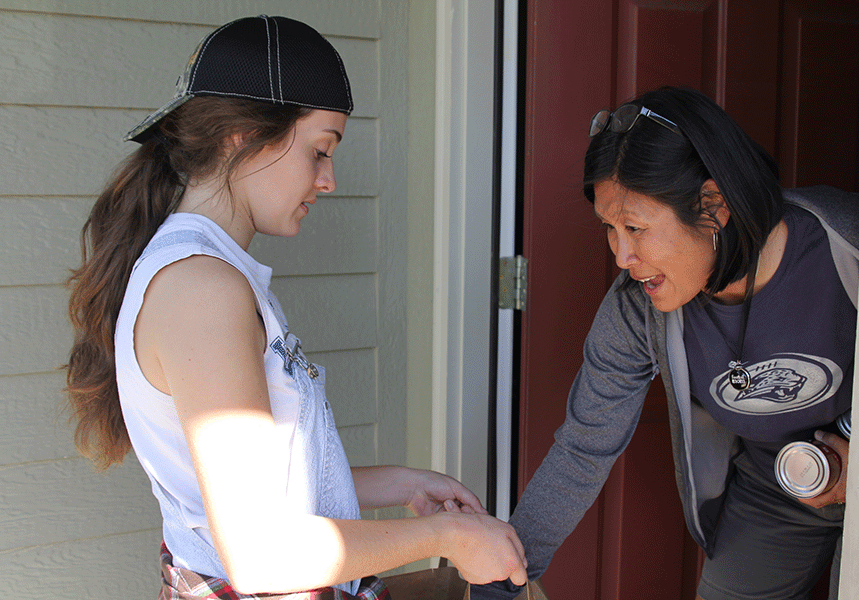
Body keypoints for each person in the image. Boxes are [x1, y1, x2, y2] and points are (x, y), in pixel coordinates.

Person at [64, 15, 527, 599]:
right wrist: (444, 536)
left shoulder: (209, 273)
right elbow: (262, 552)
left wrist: (404, 484)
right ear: (242, 137)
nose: (328, 179)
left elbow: (273, 491)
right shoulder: (201, 291)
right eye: (319, 151)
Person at [472, 86, 858, 600]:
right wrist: (504, 578)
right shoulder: (638, 307)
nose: (622, 255)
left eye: (635, 226)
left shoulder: (854, 248)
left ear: (713, 205)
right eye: (609, 228)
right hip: (776, 486)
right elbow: (584, 446)